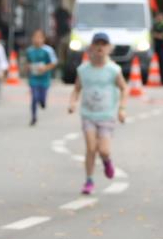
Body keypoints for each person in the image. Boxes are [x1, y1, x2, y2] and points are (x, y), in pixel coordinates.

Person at [68, 32, 127, 195]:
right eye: (97, 44)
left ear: (109, 48)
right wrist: (72, 103)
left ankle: (107, 161)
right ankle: (89, 180)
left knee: (104, 150)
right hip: (88, 115)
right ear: (91, 47)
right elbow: (76, 89)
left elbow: (124, 88)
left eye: (104, 44)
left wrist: (122, 109)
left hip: (107, 115)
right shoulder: (83, 70)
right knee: (91, 148)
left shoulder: (114, 70)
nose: (100, 47)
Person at [24, 29, 57, 126]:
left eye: (39, 37)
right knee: (34, 97)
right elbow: (27, 62)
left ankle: (43, 101)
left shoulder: (48, 50)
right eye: (35, 37)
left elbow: (54, 62)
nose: (37, 40)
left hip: (44, 78)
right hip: (33, 78)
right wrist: (28, 67)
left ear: (43, 39)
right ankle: (33, 117)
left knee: (41, 98)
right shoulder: (29, 51)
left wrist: (45, 68)